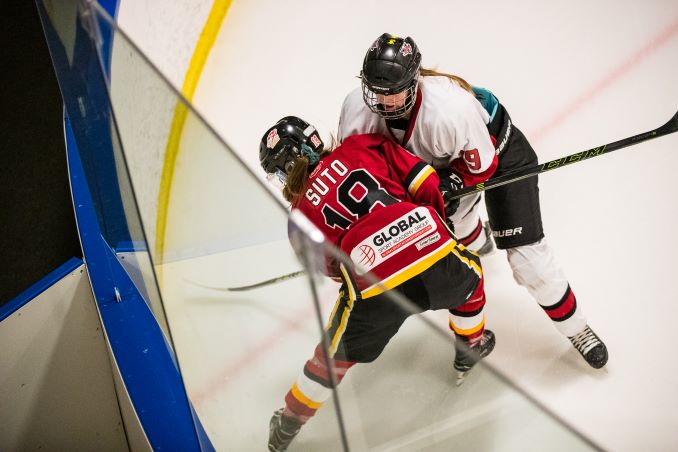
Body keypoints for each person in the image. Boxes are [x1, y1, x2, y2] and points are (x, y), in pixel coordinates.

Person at [338, 33, 608, 370]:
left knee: (528, 261)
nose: (382, 102)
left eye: (392, 93)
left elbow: (482, 166)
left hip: (498, 154)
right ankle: (476, 236)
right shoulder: (355, 108)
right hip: (437, 169)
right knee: (459, 241)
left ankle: (577, 329)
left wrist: (453, 182)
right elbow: (357, 167)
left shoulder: (451, 111)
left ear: (414, 82)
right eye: (375, 91)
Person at [260, 116, 495, 452]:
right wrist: (427, 231)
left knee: (331, 357)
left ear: (282, 169)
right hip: (426, 247)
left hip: (372, 288)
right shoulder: (360, 145)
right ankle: (470, 345)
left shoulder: (296, 219)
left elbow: (331, 270)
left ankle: (288, 422)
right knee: (471, 280)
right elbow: (425, 181)